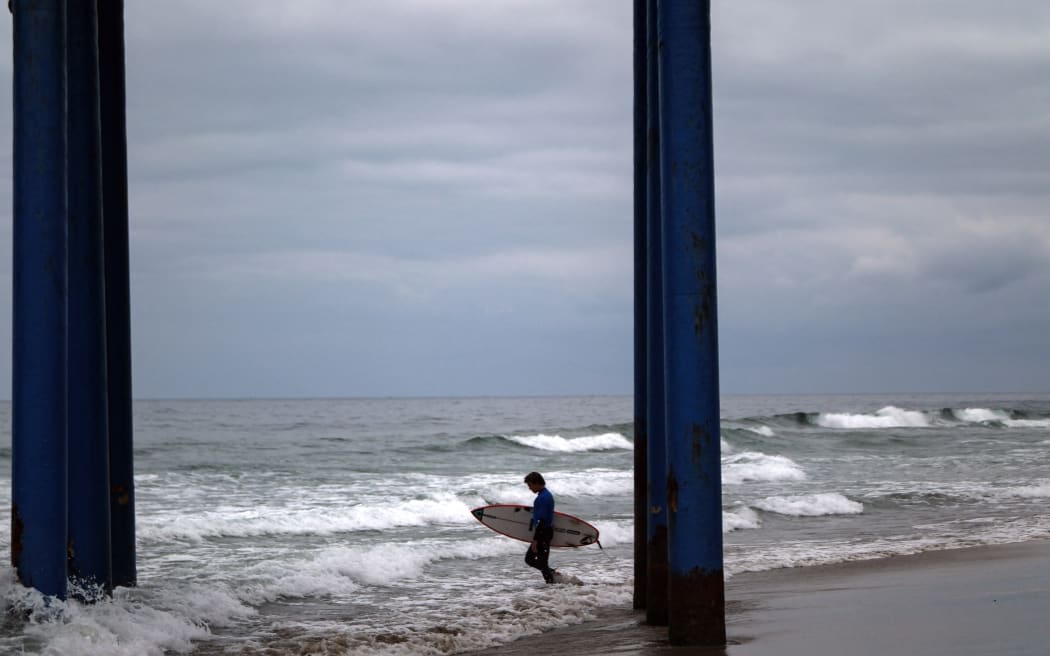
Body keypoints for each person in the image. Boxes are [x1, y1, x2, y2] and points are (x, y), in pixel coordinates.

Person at [524, 471, 557, 583]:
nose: (529, 488)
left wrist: (535, 540)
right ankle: (552, 578)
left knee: (533, 560)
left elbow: (541, 521)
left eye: (530, 485)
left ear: (537, 483)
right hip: (545, 532)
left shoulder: (542, 498)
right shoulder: (546, 495)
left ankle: (553, 581)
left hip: (543, 533)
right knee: (536, 561)